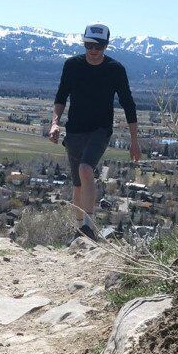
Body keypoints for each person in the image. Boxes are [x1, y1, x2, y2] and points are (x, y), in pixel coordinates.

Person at [49, 23, 140, 240]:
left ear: (106, 46)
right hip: (74, 130)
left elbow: (128, 104)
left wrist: (134, 140)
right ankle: (79, 229)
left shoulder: (115, 69)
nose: (93, 50)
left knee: (86, 169)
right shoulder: (72, 65)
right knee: (78, 184)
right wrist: (55, 123)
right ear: (84, 44)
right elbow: (61, 96)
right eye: (89, 45)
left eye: (98, 46)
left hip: (100, 129)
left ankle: (89, 228)